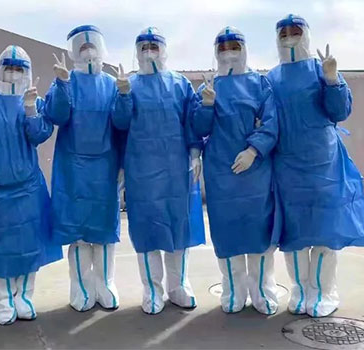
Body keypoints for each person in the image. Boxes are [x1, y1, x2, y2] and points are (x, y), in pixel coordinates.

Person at [267, 14, 364, 317]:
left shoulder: (320, 70)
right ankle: (301, 291)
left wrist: (332, 79)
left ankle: (325, 292)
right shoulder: (271, 79)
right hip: (287, 165)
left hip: (324, 163)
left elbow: (340, 111)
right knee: (295, 234)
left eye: (295, 31)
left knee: (326, 231)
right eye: (284, 32)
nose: (289, 37)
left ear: (306, 34)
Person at [112, 27, 205, 315]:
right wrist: (123, 95)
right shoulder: (129, 84)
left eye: (154, 46)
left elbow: (191, 121)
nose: (149, 52)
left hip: (176, 169)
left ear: (164, 50)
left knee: (178, 228)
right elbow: (119, 124)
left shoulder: (179, 84)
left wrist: (195, 152)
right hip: (141, 170)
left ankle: (178, 286)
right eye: (144, 47)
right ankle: (152, 289)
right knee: (147, 229)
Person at [0, 45, 62, 324]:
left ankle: (24, 297)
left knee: (29, 246)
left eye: (19, 69)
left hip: (28, 188)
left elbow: (40, 135)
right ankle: (3, 299)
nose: (13, 73)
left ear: (27, 72)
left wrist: (31, 109)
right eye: (8, 67)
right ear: (0, 70)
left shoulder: (34, 101)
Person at [192, 27, 279, 315]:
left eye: (234, 46)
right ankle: (233, 290)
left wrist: (253, 150)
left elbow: (271, 122)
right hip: (221, 173)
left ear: (244, 49)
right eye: (223, 47)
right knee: (227, 232)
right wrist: (207, 105)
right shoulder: (208, 87)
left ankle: (263, 291)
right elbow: (198, 128)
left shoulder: (260, 84)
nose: (229, 52)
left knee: (258, 231)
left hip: (256, 173)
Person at [44, 25, 122, 312]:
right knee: (78, 234)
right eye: (83, 47)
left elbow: (122, 124)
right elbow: (56, 115)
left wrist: (125, 96)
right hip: (73, 169)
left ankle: (105, 284)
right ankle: (81, 288)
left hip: (105, 168)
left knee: (103, 232)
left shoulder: (111, 84)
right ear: (74, 51)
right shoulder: (65, 81)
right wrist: (63, 84)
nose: (88, 51)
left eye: (92, 46)